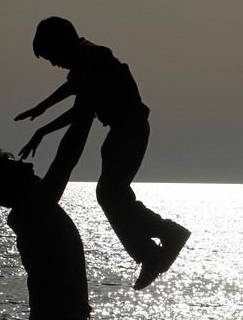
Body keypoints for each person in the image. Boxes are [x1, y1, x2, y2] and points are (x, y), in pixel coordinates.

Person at [14, 16, 190, 290]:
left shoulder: (95, 56)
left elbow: (76, 97)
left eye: (52, 56)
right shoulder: (88, 65)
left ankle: (161, 241)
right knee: (112, 195)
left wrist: (43, 110)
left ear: (64, 41)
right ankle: (153, 247)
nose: (54, 64)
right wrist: (42, 123)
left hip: (129, 127)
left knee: (110, 194)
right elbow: (80, 105)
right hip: (121, 130)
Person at [0, 113, 94, 320]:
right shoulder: (33, 207)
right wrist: (86, 112)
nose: (30, 165)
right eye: (19, 168)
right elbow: (66, 158)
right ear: (10, 184)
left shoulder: (31, 211)